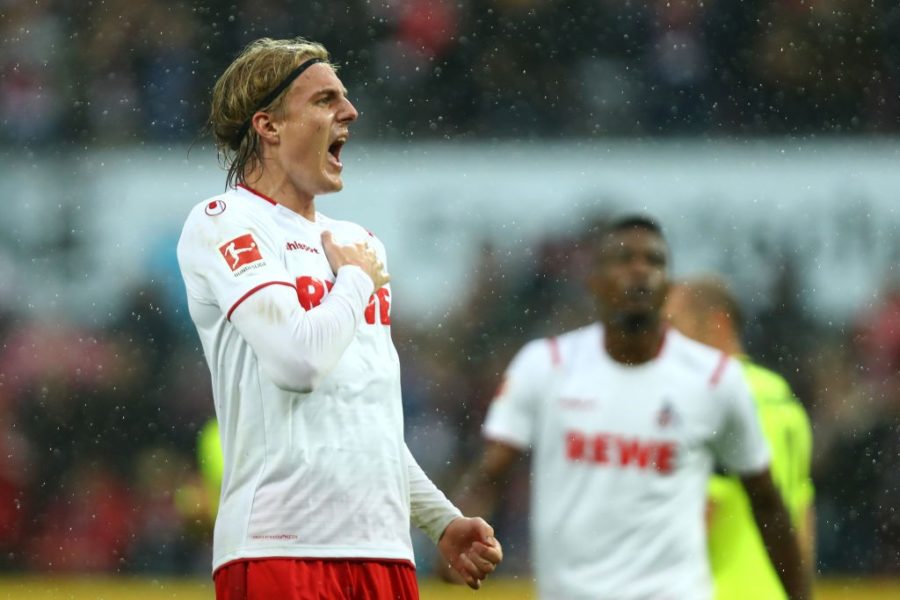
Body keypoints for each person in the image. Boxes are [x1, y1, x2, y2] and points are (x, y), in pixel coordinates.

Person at [176, 37, 502, 599]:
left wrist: (440, 520)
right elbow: (298, 364)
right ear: (269, 126)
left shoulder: (358, 243)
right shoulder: (224, 221)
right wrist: (353, 282)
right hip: (280, 547)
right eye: (325, 99)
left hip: (384, 553)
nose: (349, 112)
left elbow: (367, 421)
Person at [448, 216, 809, 599]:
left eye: (654, 261)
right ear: (595, 281)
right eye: (623, 260)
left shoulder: (716, 380)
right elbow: (491, 475)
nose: (640, 271)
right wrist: (453, 532)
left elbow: (770, 505)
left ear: (667, 285)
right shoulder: (546, 366)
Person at [665, 276, 816, 600]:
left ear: (719, 323)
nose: (668, 339)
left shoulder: (718, 403)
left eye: (675, 323)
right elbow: (801, 511)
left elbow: (702, 513)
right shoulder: (783, 398)